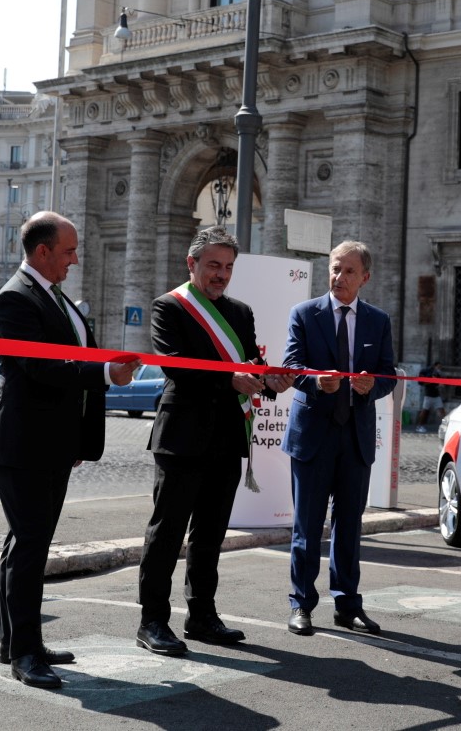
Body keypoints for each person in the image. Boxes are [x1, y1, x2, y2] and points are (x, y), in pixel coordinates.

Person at [0, 211, 140, 689]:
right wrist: (104, 375)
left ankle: (17, 641)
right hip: (22, 443)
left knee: (27, 544)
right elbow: (39, 369)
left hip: (51, 443)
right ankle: (25, 653)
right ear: (43, 251)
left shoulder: (56, 298)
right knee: (30, 545)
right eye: (69, 251)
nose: (75, 259)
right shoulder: (15, 297)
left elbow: (76, 356)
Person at [136, 226, 294, 657]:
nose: (221, 274)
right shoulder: (170, 307)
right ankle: (152, 620)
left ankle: (202, 615)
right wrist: (232, 380)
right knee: (167, 533)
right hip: (182, 438)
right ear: (192, 264)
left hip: (227, 437)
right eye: (213, 266)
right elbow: (176, 368)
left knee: (210, 534)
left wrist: (272, 382)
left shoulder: (240, 313)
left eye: (228, 267)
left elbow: (253, 367)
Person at [282, 241, 397, 636]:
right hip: (313, 436)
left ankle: (347, 604)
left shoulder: (377, 320)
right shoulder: (304, 314)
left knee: (349, 527)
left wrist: (372, 386)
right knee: (307, 527)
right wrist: (316, 382)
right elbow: (292, 365)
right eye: (334, 269)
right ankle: (301, 604)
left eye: (348, 272)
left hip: (356, 439)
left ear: (364, 277)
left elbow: (389, 373)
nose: (339, 278)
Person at [415, 362, 444, 432]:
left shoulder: (437, 373)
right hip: (428, 395)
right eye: (439, 367)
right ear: (435, 366)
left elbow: (440, 382)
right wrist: (432, 381)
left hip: (436, 395)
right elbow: (424, 382)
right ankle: (419, 426)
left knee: (442, 411)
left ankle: (445, 426)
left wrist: (439, 384)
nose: (439, 369)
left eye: (440, 367)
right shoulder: (429, 372)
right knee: (424, 411)